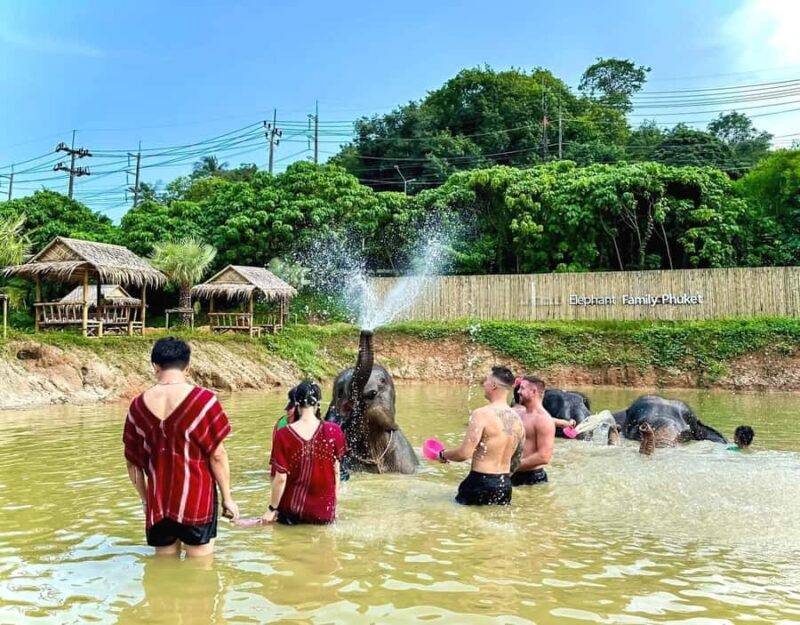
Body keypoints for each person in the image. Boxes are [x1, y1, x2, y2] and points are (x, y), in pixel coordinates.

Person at [123, 337, 239, 557]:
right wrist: (228, 498)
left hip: (158, 504)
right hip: (197, 501)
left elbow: (133, 463)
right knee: (200, 571)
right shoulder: (204, 401)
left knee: (163, 568)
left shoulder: (137, 406)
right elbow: (217, 455)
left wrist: (146, 500)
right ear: (188, 366)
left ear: (155, 366)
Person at [262, 381, 346, 525]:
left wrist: (272, 509)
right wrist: (332, 507)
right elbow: (336, 472)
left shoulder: (284, 434)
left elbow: (280, 477)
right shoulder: (334, 431)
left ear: (296, 404)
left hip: (291, 512)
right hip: (323, 513)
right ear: (318, 403)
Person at [438, 366, 525, 506]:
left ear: (494, 385)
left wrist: (443, 454)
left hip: (480, 482)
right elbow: (517, 459)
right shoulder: (518, 419)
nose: (484, 384)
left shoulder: (481, 414)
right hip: (505, 485)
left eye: (486, 380)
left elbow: (464, 453)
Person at [511, 376, 556, 486]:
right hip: (513, 473)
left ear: (533, 391)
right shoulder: (518, 413)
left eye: (522, 388)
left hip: (532, 478)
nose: (518, 392)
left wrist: (510, 468)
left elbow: (544, 456)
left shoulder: (543, 420)